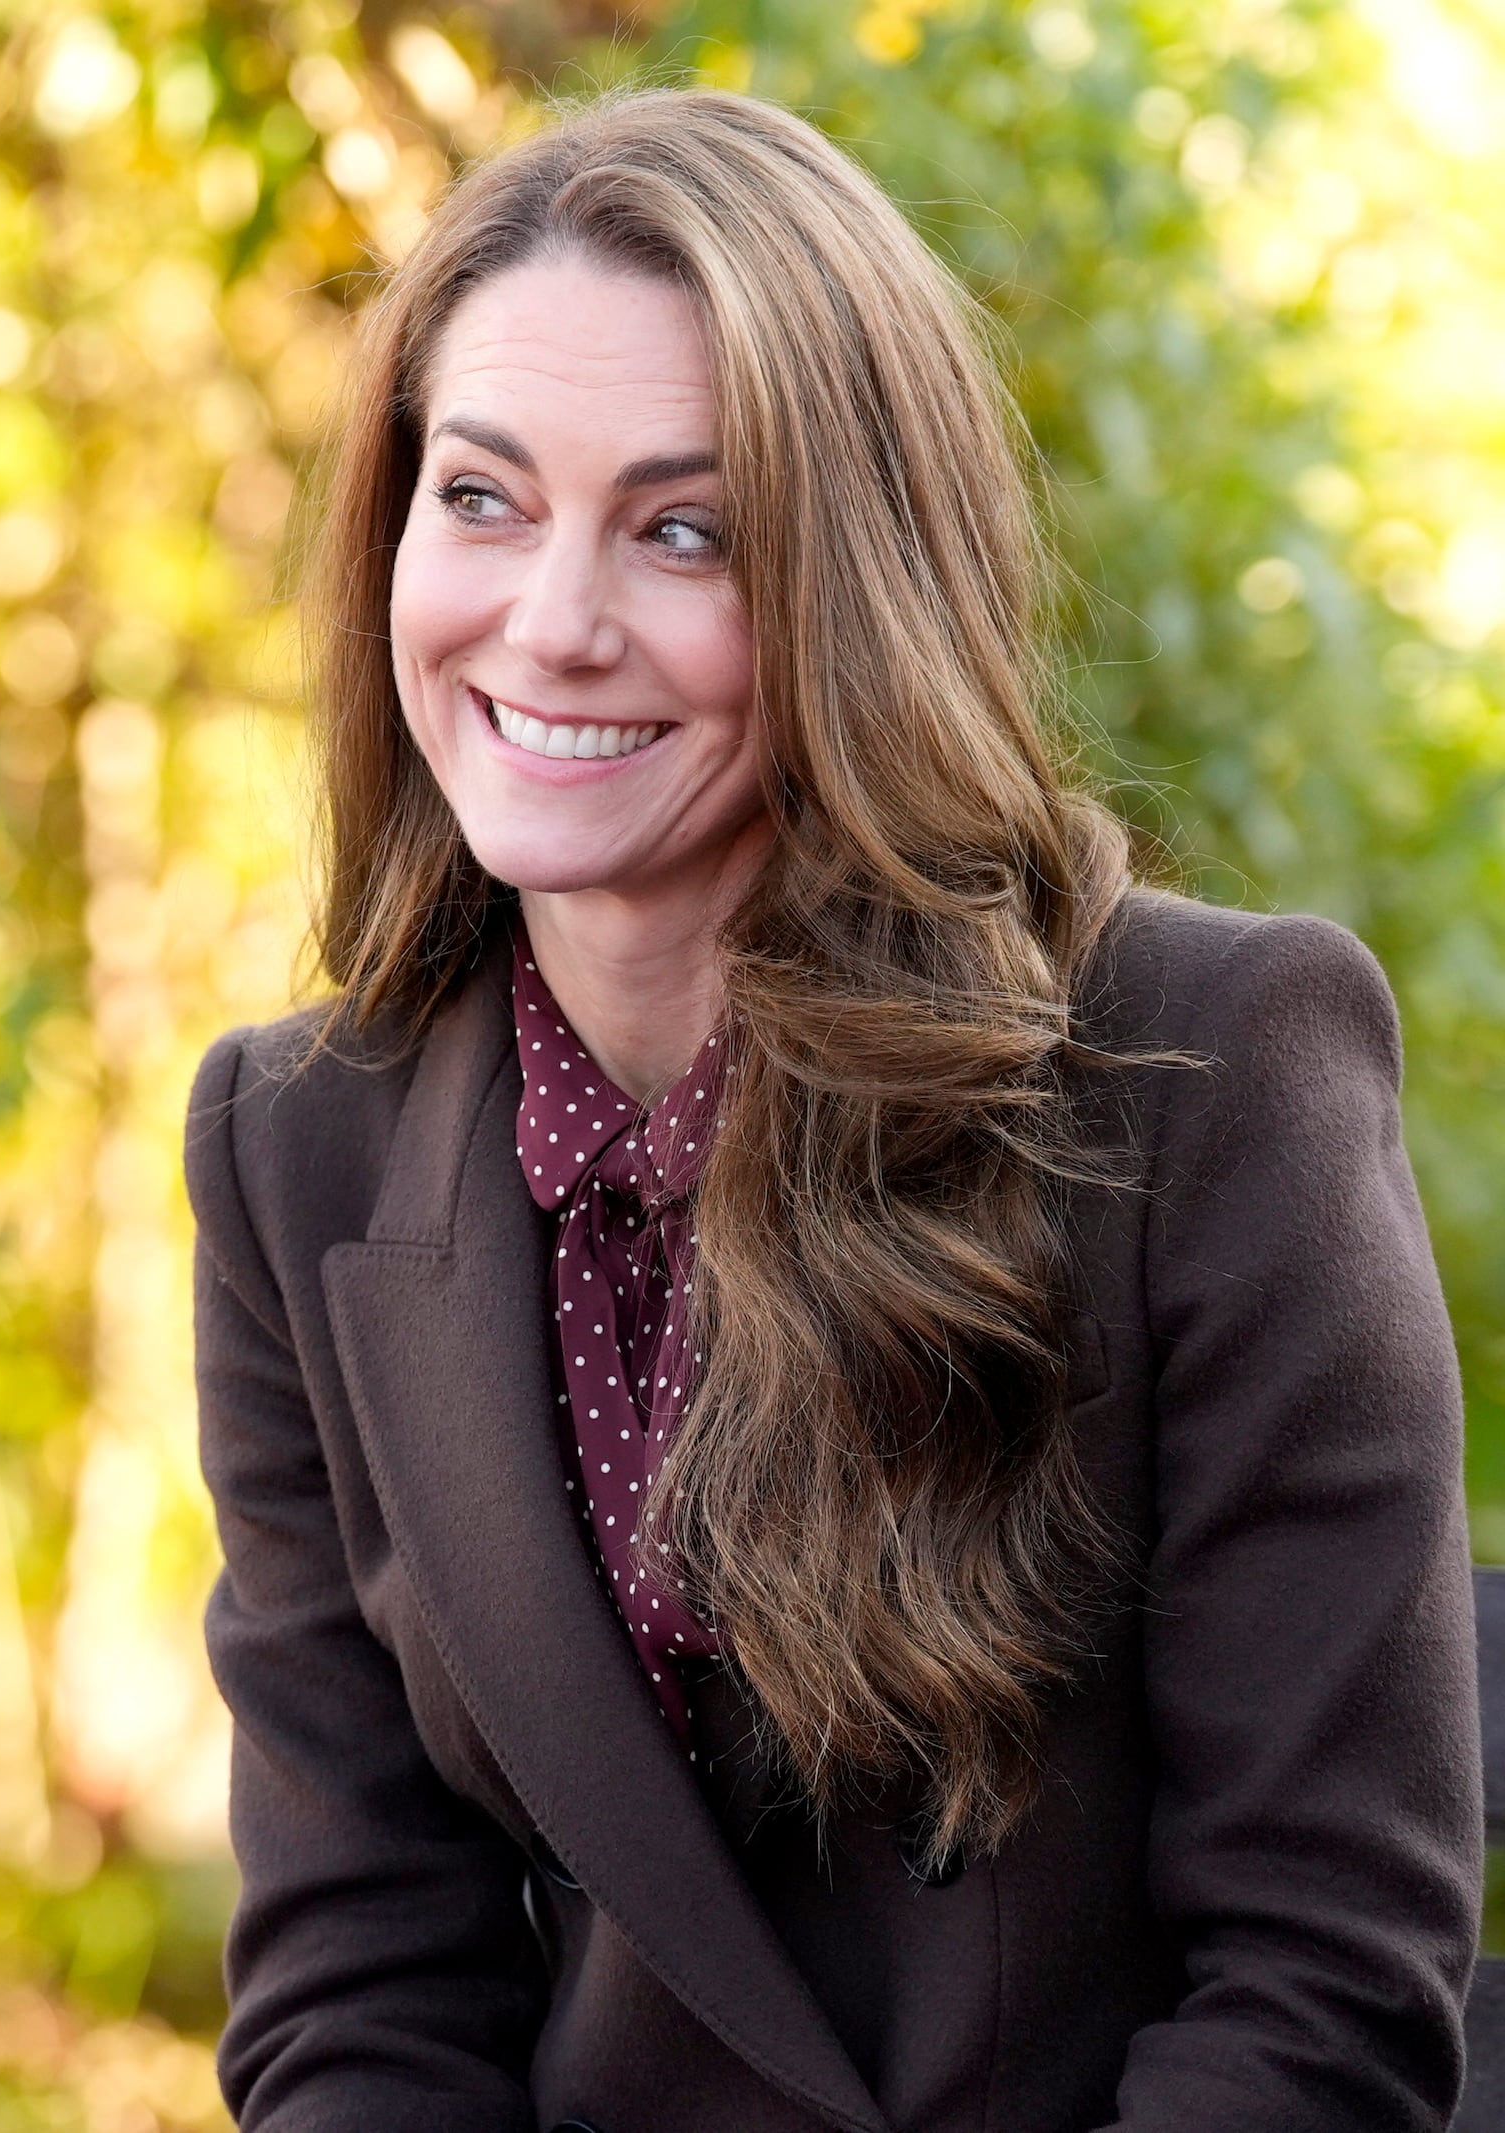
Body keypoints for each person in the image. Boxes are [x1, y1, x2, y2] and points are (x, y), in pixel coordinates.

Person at [184, 87, 1482, 2133]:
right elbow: (363, 1984)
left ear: (857, 584)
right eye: (484, 496)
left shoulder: (1212, 1067)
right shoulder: (294, 1147)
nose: (553, 620)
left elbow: (1317, 1985)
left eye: (683, 528)